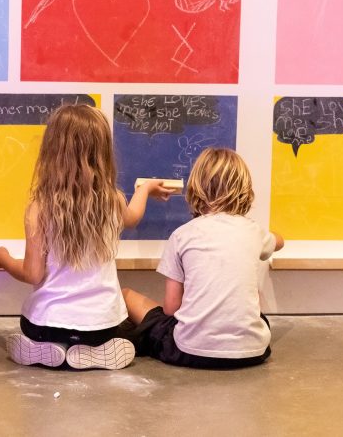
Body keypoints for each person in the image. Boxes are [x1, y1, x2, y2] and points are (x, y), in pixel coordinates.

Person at [0, 104, 175, 370]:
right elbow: (133, 218)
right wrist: (144, 190)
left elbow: (32, 274)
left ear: (51, 152)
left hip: (45, 325)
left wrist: (4, 260)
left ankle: (42, 349)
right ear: (103, 154)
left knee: (35, 326)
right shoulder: (113, 201)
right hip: (102, 327)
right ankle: (94, 352)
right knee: (119, 331)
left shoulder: (40, 208)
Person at [122, 148, 284, 369]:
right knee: (258, 313)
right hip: (253, 351)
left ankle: (118, 340)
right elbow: (279, 242)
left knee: (127, 297)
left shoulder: (181, 236)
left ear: (196, 188)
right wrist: (270, 237)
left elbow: (171, 309)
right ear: (244, 189)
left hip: (189, 352)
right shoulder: (253, 231)